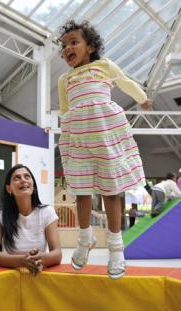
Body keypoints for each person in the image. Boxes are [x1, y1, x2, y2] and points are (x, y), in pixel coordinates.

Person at [57, 20, 152, 279]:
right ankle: (85, 238)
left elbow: (126, 83)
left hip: (105, 131)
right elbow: (66, 112)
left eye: (74, 42)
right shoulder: (64, 80)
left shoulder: (104, 66)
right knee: (81, 190)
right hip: (79, 136)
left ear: (90, 47)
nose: (67, 49)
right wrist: (67, 140)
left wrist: (143, 99)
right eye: (64, 46)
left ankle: (115, 248)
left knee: (111, 191)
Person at [0, 164, 62, 275]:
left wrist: (39, 258)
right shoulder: (0, 216)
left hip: (37, 277)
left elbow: (57, 254)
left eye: (27, 176)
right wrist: (22, 261)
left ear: (33, 186)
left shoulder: (47, 212)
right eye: (17, 178)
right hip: (10, 279)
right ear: (9, 189)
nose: (23, 180)